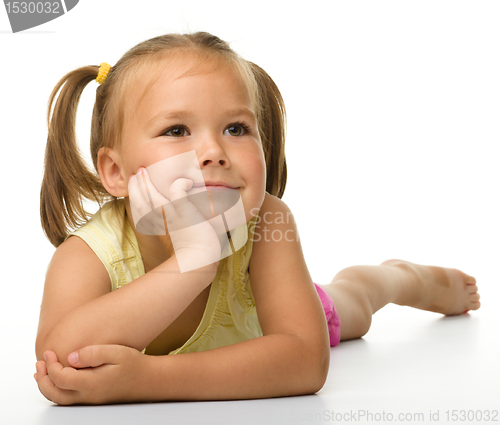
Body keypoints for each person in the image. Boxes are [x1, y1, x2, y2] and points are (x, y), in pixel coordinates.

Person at [34, 31, 480, 406]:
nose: (214, 152)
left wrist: (148, 379)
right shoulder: (88, 256)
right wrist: (188, 266)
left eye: (236, 128)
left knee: (355, 300)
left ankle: (401, 278)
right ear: (116, 172)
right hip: (242, 348)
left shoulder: (267, 223)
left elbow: (306, 361)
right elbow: (57, 362)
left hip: (274, 321)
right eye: (176, 131)